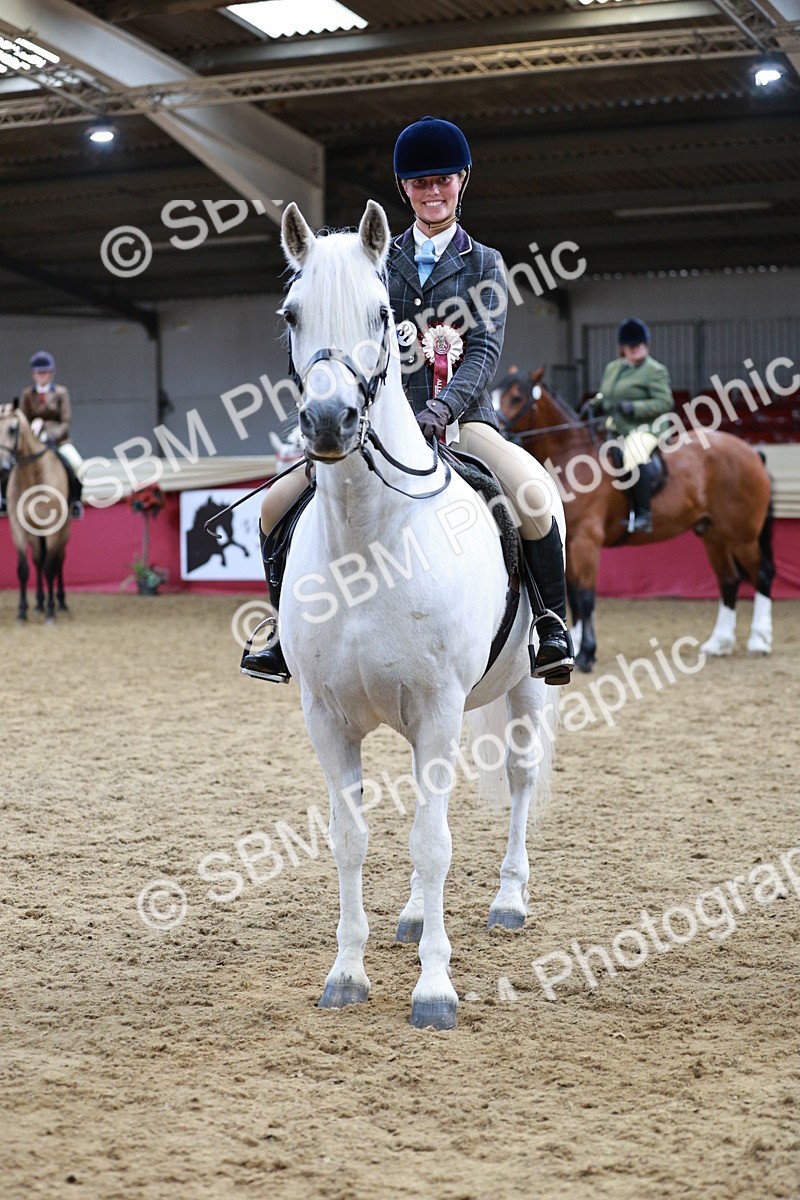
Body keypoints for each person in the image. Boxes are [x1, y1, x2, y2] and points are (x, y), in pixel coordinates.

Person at [241, 116, 573, 686]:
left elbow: (484, 351)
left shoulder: (484, 262)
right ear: (405, 190)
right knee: (273, 508)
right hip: (374, 426)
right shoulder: (375, 260)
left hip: (462, 422)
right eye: (421, 183)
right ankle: (282, 635)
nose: (433, 191)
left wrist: (441, 412)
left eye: (443, 179)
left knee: (535, 496)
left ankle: (549, 625)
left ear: (462, 181)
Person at [590, 318, 673, 533]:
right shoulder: (612, 368)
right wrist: (594, 405)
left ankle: (644, 515)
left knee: (633, 455)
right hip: (615, 426)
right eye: (631, 345)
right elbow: (605, 395)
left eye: (640, 344)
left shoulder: (655, 371)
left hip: (645, 428)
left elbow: (665, 402)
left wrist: (634, 408)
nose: (636, 349)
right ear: (623, 348)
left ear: (646, 344)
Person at [0, 351, 84, 519]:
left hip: (58, 441)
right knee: (7, 462)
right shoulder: (26, 394)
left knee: (77, 464)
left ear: (51, 373)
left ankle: (75, 502)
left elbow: (66, 421)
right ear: (34, 374)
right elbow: (22, 418)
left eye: (45, 372)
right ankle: (5, 500)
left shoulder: (61, 392)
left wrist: (48, 431)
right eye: (39, 373)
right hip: (33, 441)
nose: (42, 376)